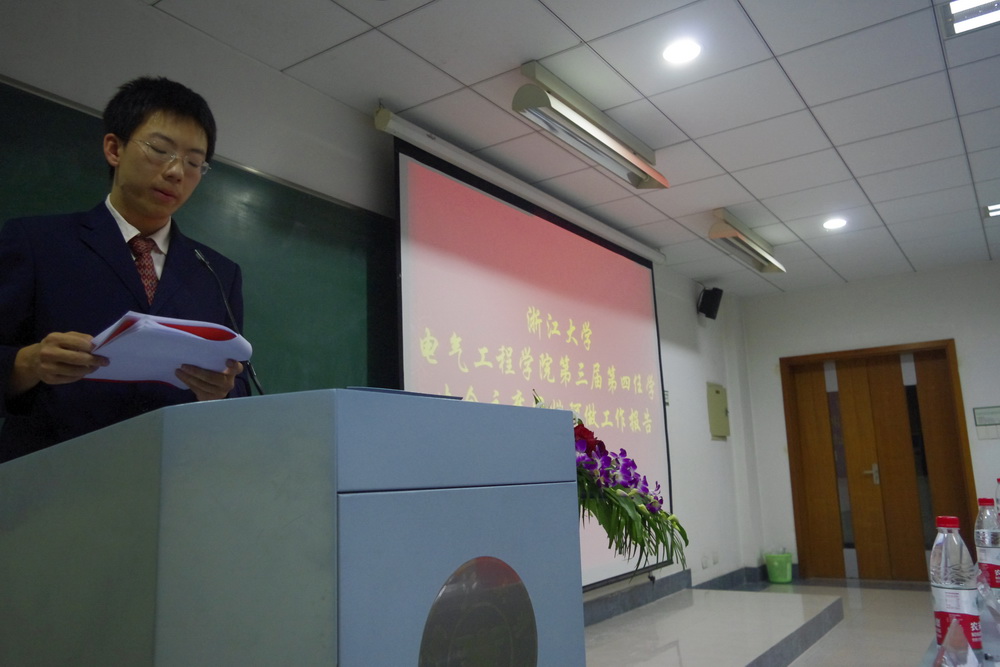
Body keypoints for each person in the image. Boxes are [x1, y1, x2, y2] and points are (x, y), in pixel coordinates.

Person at [0, 76, 249, 462]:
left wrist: (223, 391)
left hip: (172, 474)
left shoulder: (217, 272)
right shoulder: (36, 242)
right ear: (114, 148)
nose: (176, 172)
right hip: (51, 474)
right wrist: (28, 363)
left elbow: (239, 384)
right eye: (160, 150)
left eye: (194, 163)